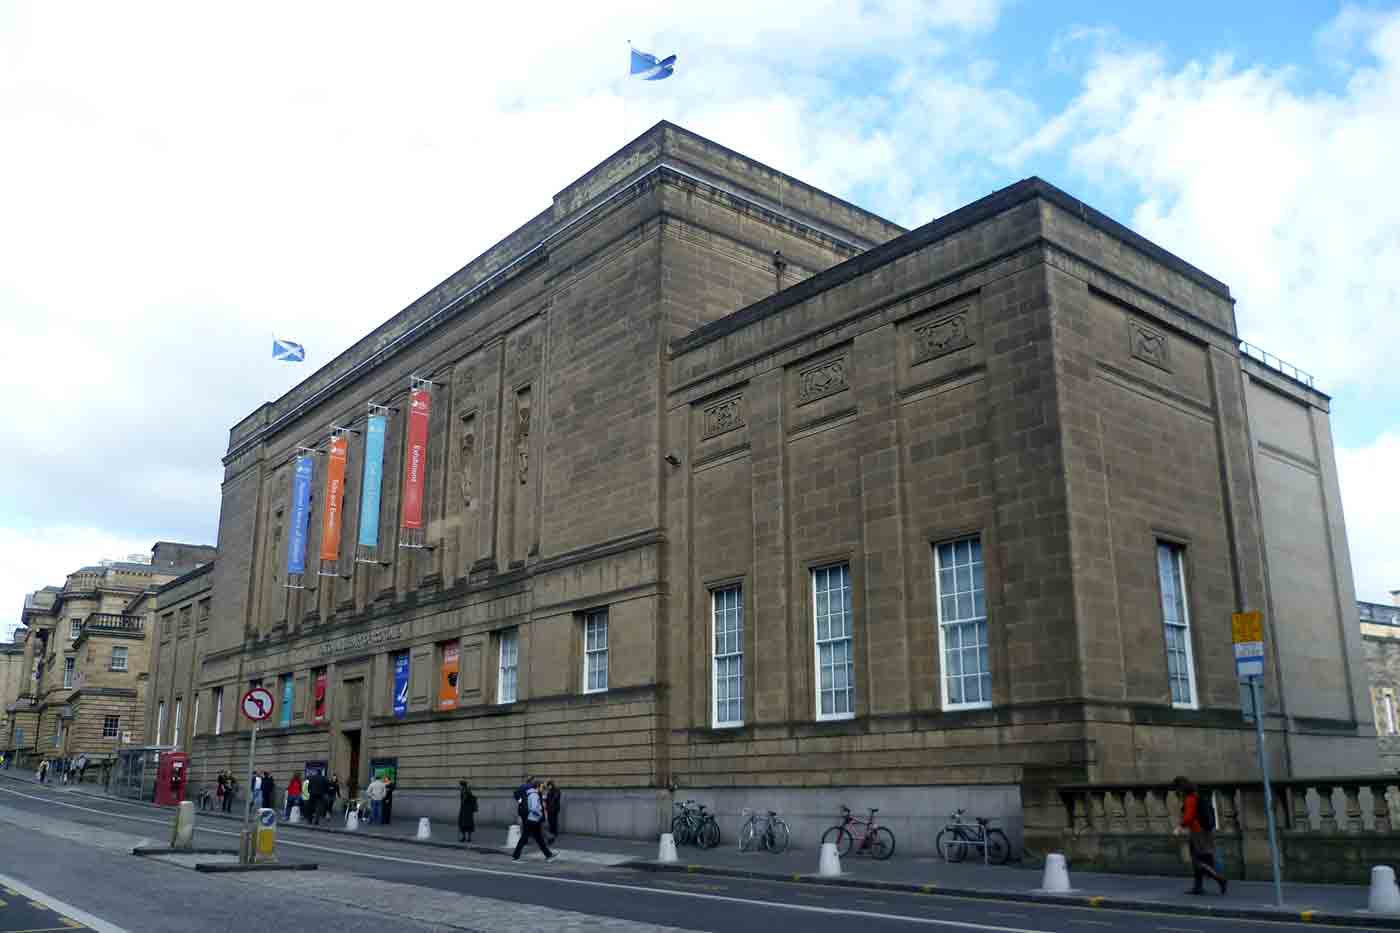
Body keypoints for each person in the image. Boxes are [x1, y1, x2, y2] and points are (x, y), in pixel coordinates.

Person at [1173, 776, 1227, 895]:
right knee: (1197, 859)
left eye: (1176, 789)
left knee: (1198, 861)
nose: (1175, 792)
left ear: (1180, 788)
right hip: (1203, 831)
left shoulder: (1190, 798)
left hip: (1198, 833)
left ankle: (1220, 879)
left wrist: (1179, 827)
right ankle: (1198, 887)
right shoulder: (1196, 795)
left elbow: (1189, 817)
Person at [512, 778, 555, 863]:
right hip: (533, 819)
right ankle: (516, 855)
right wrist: (540, 814)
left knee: (538, 838)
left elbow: (517, 795)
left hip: (531, 818)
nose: (542, 788)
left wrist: (521, 802)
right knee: (526, 837)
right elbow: (534, 808)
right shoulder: (534, 794)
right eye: (541, 786)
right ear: (537, 786)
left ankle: (548, 855)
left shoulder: (530, 792)